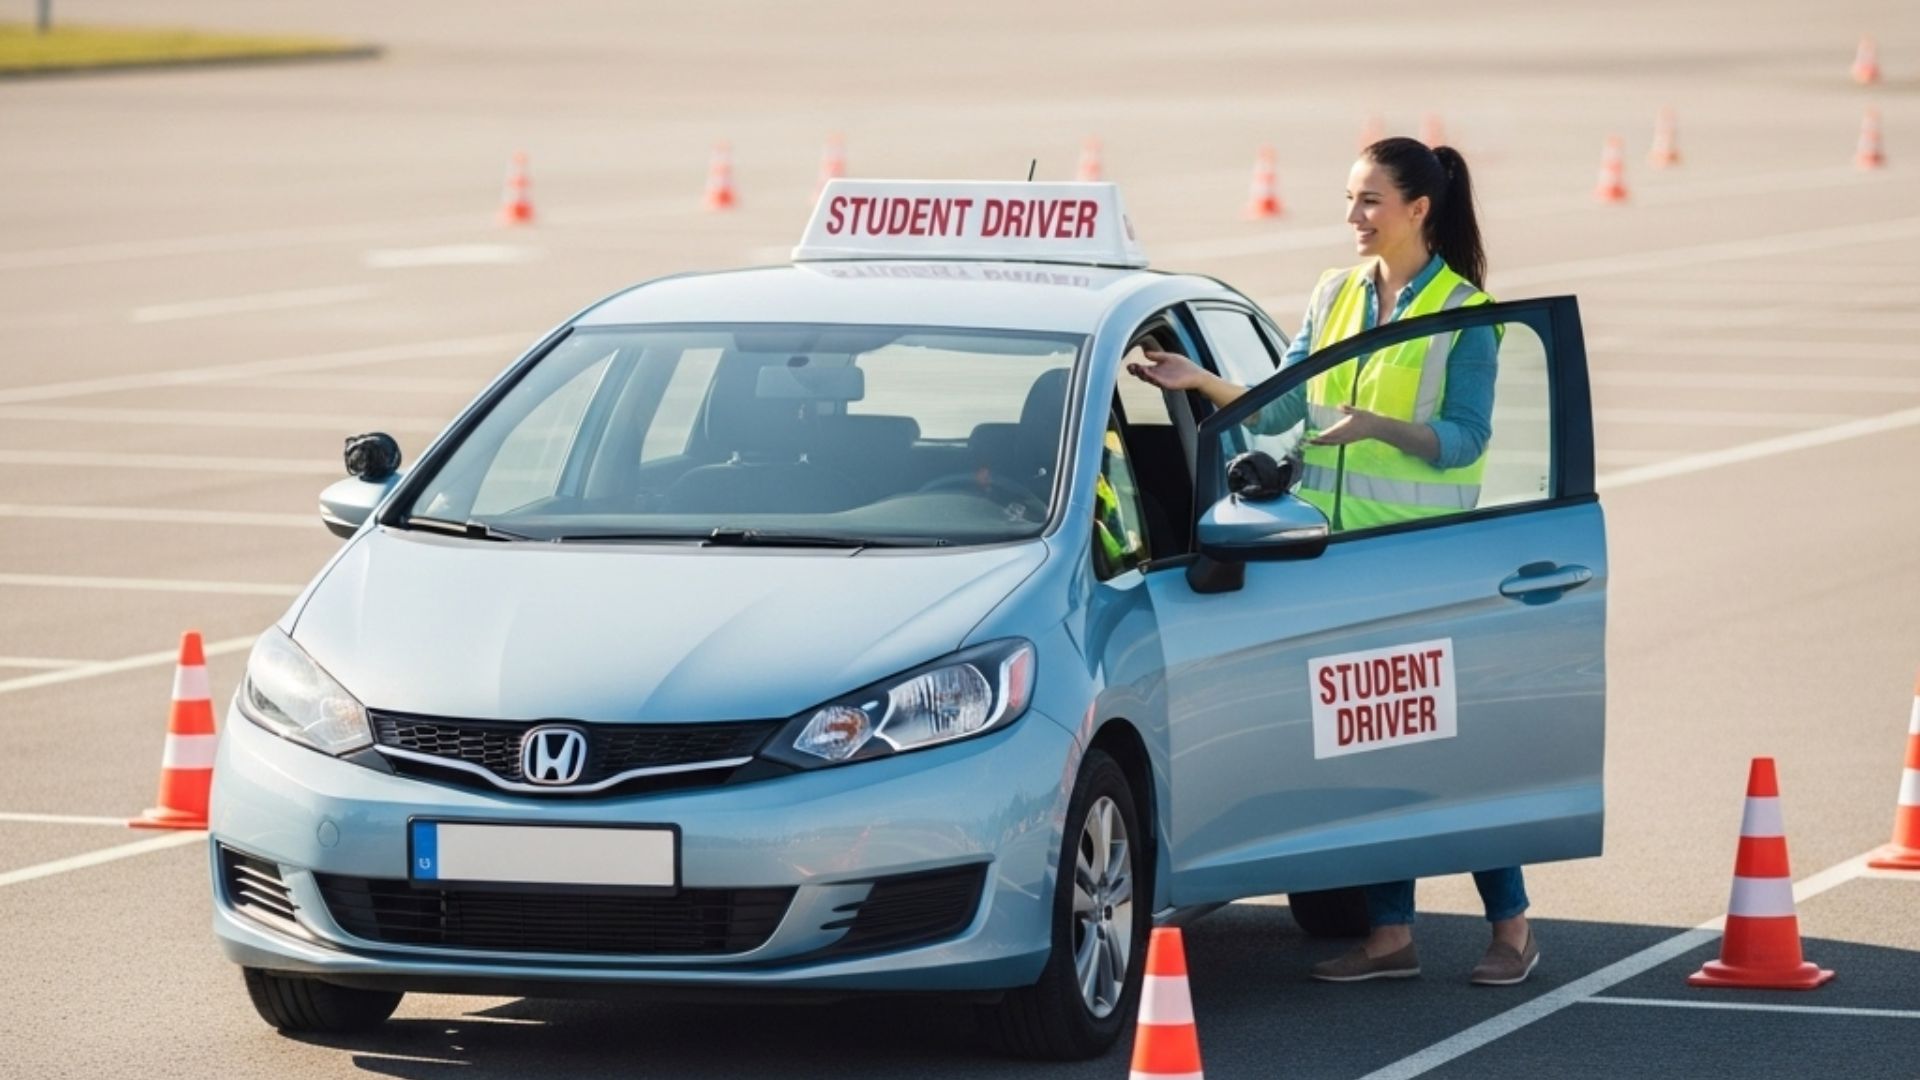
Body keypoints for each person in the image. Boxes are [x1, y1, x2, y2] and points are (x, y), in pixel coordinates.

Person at [1127, 136, 1536, 986]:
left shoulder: (1465, 315)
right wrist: (1198, 380)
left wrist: (1379, 427)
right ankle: (1390, 935)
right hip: (1333, 563)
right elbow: (1285, 407)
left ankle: (1513, 927)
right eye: (1350, 199)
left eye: (1369, 201)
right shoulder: (1334, 293)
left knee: (1445, 759)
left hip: (1419, 567)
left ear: (1419, 209)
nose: (1352, 217)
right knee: (1366, 753)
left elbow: (1465, 441)